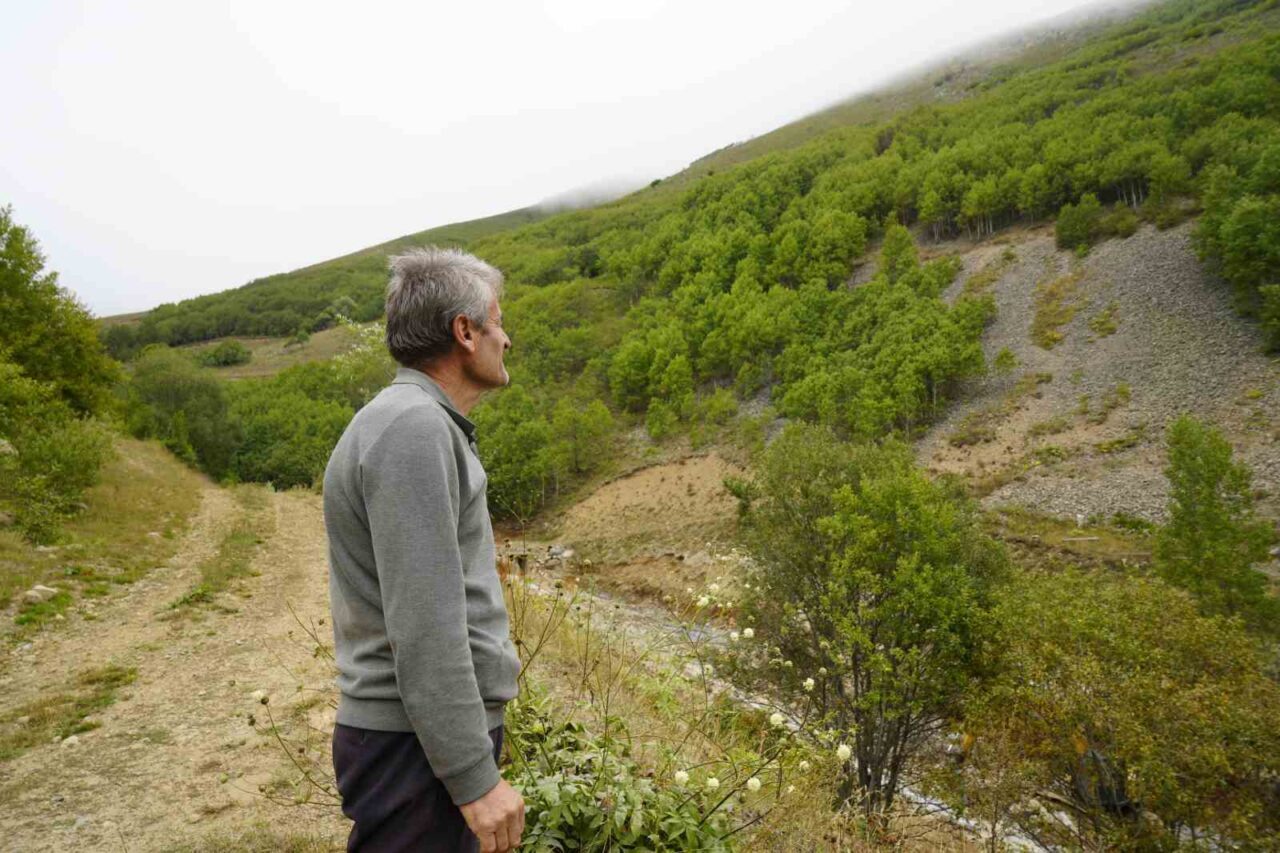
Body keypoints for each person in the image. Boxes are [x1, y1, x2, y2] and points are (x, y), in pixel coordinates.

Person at [323, 246, 524, 852]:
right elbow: (426, 624)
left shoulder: (416, 422)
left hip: (420, 739)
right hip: (414, 747)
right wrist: (473, 778)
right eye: (497, 321)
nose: (506, 339)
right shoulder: (413, 429)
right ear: (465, 331)